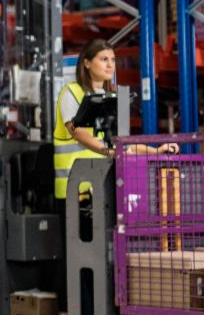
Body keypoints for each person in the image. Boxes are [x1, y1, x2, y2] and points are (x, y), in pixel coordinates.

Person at [52, 39, 176, 199]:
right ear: (87, 63)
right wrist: (111, 152)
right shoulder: (71, 93)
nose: (110, 65)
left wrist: (156, 151)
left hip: (102, 189)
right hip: (75, 192)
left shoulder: (111, 98)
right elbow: (78, 133)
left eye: (113, 60)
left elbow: (122, 145)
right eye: (104, 59)